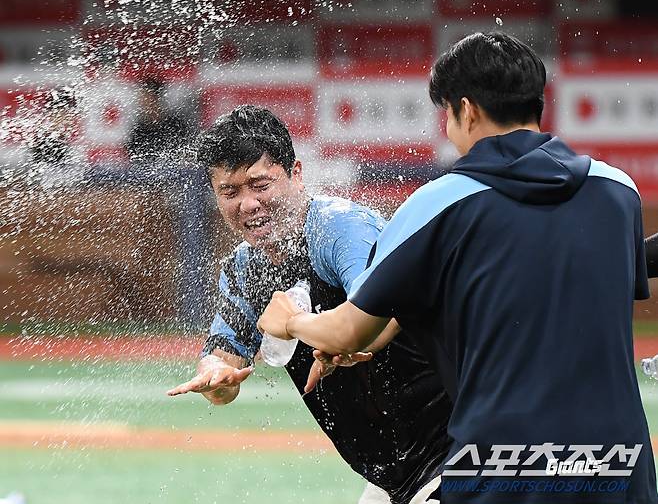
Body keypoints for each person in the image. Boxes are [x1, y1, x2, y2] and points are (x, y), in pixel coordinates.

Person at [258, 33, 658, 504]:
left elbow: (348, 331)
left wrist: (291, 320)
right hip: (618, 468)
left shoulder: (440, 203)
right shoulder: (617, 191)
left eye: (445, 112)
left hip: (504, 470)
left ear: (465, 110)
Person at [166, 105, 452, 504]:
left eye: (259, 185)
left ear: (296, 174)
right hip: (393, 476)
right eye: (229, 192)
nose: (247, 204)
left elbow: (388, 314)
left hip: (454, 452)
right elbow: (222, 362)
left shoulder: (339, 228)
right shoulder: (244, 271)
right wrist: (216, 378)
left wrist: (331, 337)